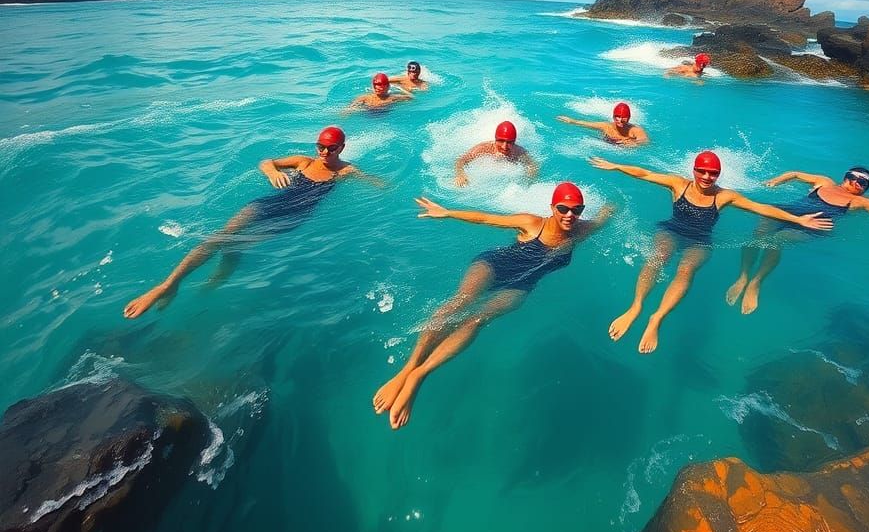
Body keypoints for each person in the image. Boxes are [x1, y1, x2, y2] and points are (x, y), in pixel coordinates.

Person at [372, 183, 613, 428]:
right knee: (460, 301)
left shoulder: (581, 231)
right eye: (563, 208)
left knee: (477, 318)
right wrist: (447, 212)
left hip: (521, 284)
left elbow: (605, 215)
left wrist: (614, 197)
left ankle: (418, 376)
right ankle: (409, 367)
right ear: (552, 208)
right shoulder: (532, 223)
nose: (570, 214)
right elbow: (487, 218)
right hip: (495, 265)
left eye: (577, 209)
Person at [123, 127, 384, 319]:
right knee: (221, 236)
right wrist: (272, 173)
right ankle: (169, 285)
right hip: (266, 204)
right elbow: (266, 162)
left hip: (291, 217)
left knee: (236, 245)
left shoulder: (345, 171)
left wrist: (389, 185)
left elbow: (377, 184)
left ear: (341, 148)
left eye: (331, 148)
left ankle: (213, 284)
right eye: (321, 146)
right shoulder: (303, 161)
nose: (325, 152)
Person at [588, 150, 833, 353]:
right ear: (694, 170)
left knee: (686, 269)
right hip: (672, 230)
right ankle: (636, 307)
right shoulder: (678, 184)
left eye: (713, 173)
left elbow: (760, 208)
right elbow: (645, 173)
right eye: (702, 171)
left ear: (718, 174)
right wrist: (616, 166)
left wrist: (798, 220)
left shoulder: (724, 196)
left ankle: (657, 318)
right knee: (659, 256)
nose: (707, 177)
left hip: (700, 240)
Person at [725, 166, 869, 315]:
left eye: (862, 182)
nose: (854, 182)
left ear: (865, 189)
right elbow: (795, 174)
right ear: (845, 176)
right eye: (852, 177)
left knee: (776, 241)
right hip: (787, 212)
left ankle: (756, 282)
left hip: (813, 226)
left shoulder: (861, 202)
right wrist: (777, 180)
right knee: (756, 237)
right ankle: (743, 277)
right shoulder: (824, 182)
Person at [453, 120, 539, 187]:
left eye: (509, 142)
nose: (504, 146)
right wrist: (461, 175)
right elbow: (461, 160)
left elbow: (532, 166)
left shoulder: (519, 152)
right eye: (501, 141)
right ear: (495, 139)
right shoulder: (484, 148)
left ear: (514, 142)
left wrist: (528, 181)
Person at [557, 102, 649, 146]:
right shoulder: (606, 126)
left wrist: (634, 143)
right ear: (613, 117)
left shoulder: (635, 130)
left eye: (623, 117)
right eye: (617, 117)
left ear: (629, 118)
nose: (620, 120)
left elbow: (645, 141)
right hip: (607, 144)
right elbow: (587, 124)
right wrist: (572, 121)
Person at [346, 72, 415, 112]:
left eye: (380, 85)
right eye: (375, 85)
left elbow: (412, 97)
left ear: (387, 87)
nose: (377, 88)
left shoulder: (393, 98)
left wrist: (401, 89)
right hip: (367, 117)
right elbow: (349, 109)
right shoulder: (365, 98)